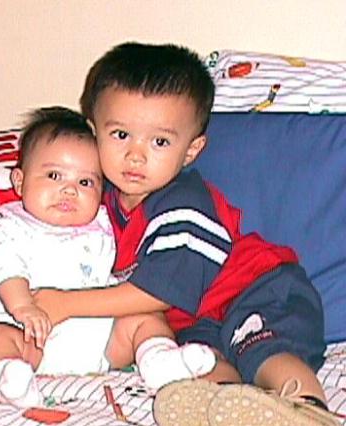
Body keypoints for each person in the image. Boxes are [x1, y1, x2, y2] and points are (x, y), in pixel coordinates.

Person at [31, 43, 340, 426]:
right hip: (198, 318)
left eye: (159, 142)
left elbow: (158, 292)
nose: (136, 156)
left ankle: (307, 409)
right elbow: (34, 230)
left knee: (260, 346)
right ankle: (235, 410)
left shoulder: (182, 204)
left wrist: (66, 304)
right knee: (200, 365)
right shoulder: (98, 199)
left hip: (258, 290)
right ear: (94, 136)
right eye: (121, 135)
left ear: (191, 150)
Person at [0, 106, 217, 408]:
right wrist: (23, 307)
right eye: (54, 175)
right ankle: (8, 377)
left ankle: (159, 360)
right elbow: (4, 269)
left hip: (97, 341)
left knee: (146, 319)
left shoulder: (103, 224)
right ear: (20, 182)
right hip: (28, 333)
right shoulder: (9, 228)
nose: (69, 190)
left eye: (85, 182)